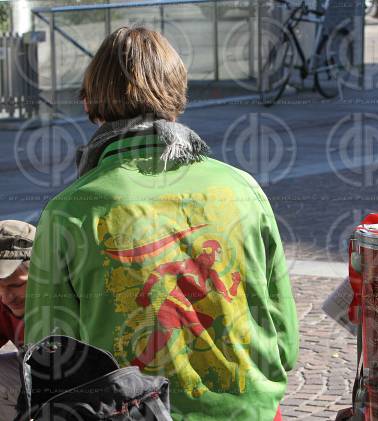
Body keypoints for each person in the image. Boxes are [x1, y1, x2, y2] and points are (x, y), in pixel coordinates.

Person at [25, 26, 299, 420]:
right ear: (177, 97)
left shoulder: (70, 210)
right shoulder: (243, 188)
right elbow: (284, 344)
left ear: (93, 107)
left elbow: (49, 359)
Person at [0, 220, 35, 420]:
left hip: (91, 385)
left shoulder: (75, 298)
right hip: (36, 377)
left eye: (16, 286)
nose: (6, 298)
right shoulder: (3, 301)